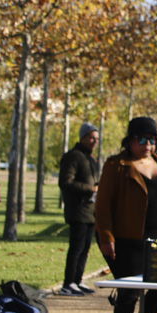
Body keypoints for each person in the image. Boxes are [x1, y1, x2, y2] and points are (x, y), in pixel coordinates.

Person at [94, 117, 157, 313]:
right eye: (142, 140)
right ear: (129, 141)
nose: (147, 145)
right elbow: (102, 204)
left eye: (152, 140)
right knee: (130, 292)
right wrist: (105, 236)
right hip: (126, 239)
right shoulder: (116, 165)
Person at [58, 122, 101, 296]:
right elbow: (65, 182)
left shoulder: (89, 158)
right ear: (82, 138)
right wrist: (90, 189)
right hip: (78, 210)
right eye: (91, 138)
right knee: (76, 248)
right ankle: (68, 283)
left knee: (84, 248)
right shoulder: (73, 156)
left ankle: (77, 280)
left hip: (90, 211)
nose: (94, 141)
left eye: (96, 138)